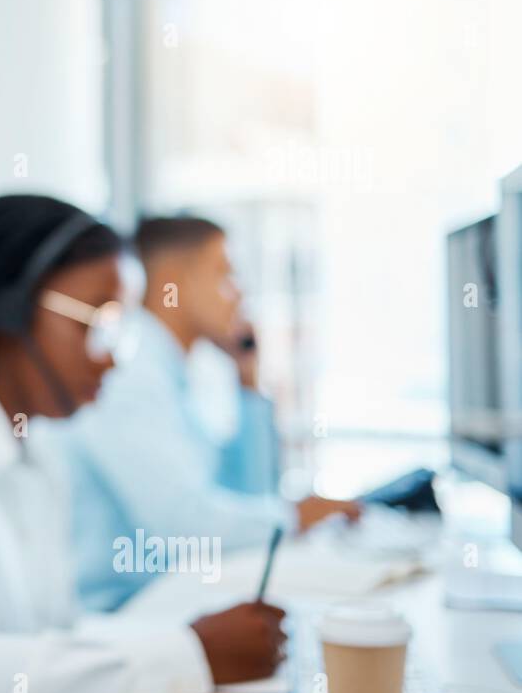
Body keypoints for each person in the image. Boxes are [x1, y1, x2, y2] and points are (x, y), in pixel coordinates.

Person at [0, 195, 287, 693]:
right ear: (10, 310)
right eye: (97, 326)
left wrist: (192, 638)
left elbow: (53, 634)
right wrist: (189, 654)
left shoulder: (36, 447)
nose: (111, 358)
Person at [69, 215, 360, 611]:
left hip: (171, 598)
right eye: (225, 274)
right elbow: (184, 528)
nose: (239, 293)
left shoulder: (176, 375)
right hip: (124, 614)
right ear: (173, 282)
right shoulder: (128, 375)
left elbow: (247, 494)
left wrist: (247, 382)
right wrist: (292, 517)